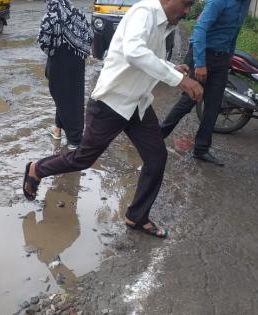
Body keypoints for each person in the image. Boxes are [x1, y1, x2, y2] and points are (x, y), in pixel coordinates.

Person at [23, 0, 203, 238]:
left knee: (157, 157)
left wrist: (171, 67)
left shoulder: (161, 24)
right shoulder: (144, 12)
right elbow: (134, 52)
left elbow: (148, 58)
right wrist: (178, 79)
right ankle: (37, 169)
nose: (188, 12)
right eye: (186, 4)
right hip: (112, 103)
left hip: (138, 104)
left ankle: (136, 216)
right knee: (83, 159)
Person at [160, 0, 251, 166]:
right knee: (189, 100)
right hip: (202, 54)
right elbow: (200, 29)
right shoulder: (219, 1)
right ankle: (158, 136)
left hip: (222, 59)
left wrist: (229, 56)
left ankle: (201, 149)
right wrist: (200, 63)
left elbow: (234, 30)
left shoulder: (245, 3)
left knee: (214, 105)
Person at [37, 0, 93, 149]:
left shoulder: (51, 16)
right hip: (77, 63)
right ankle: (57, 130)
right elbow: (90, 34)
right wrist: (80, 50)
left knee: (64, 99)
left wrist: (54, 52)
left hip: (59, 63)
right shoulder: (78, 13)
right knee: (73, 97)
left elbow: (43, 41)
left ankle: (74, 140)